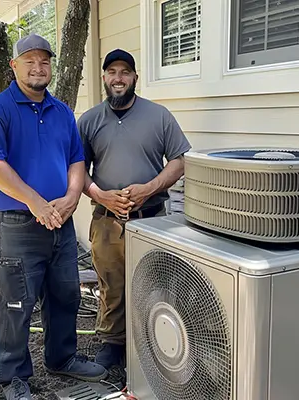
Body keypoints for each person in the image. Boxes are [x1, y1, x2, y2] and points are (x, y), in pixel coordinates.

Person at [0, 34, 108, 400]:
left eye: (44, 61)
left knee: (66, 294)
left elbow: (76, 160)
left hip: (60, 224)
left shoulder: (63, 112)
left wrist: (69, 198)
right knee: (16, 302)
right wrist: (36, 202)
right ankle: (13, 376)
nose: (38, 67)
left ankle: (61, 357)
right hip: (20, 225)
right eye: (29, 60)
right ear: (14, 66)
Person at [78, 49, 191, 369]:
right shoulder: (89, 121)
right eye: (111, 71)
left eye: (125, 71)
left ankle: (151, 342)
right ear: (103, 78)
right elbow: (78, 170)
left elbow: (180, 161)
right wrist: (101, 196)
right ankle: (113, 344)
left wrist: (150, 188)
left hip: (152, 218)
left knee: (154, 284)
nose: (118, 77)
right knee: (111, 285)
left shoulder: (159, 116)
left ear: (135, 78)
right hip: (107, 220)